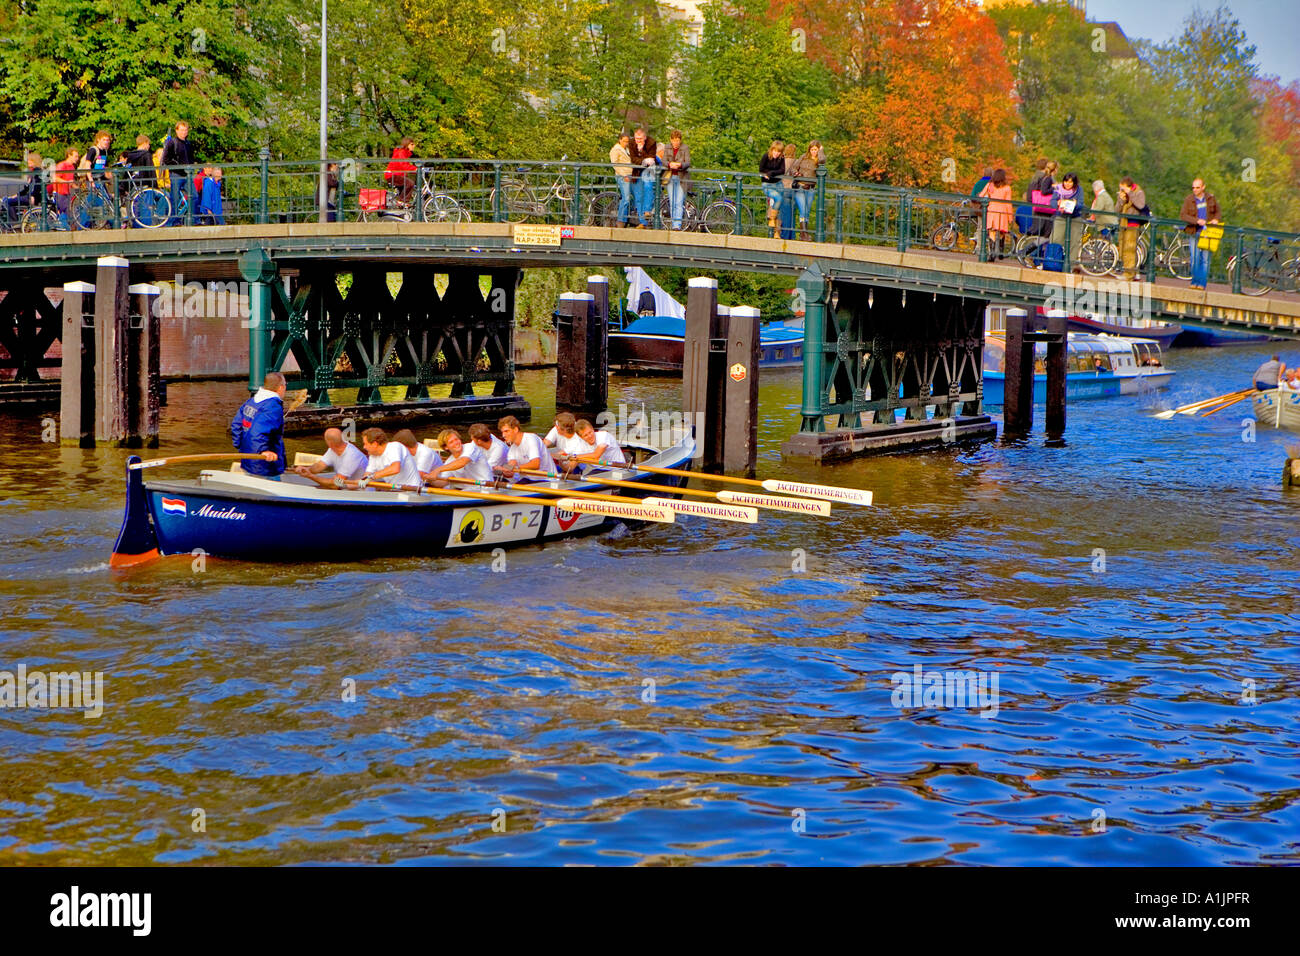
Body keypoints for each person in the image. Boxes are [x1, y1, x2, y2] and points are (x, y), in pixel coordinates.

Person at [230, 371, 286, 479]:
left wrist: (241, 447)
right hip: (265, 466)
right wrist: (263, 451)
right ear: (280, 387)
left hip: (247, 460)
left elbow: (236, 425)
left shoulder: (251, 401)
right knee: (273, 492)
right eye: (285, 385)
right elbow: (258, 431)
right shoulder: (272, 406)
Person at [1180, 178, 1221, 290]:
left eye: (1197, 187)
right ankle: (1194, 281)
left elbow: (1218, 211)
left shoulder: (1210, 198)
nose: (1195, 190)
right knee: (1194, 258)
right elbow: (1183, 215)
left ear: (1203, 187)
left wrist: (1216, 219)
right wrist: (1196, 220)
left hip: (1208, 233)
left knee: (1205, 259)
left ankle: (1202, 284)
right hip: (1194, 232)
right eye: (1193, 187)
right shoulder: (1189, 199)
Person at [293, 427, 368, 485]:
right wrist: (306, 469)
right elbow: (319, 466)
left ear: (330, 443)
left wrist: (310, 476)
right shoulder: (333, 449)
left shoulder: (351, 456)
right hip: (345, 489)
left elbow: (336, 484)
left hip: (360, 492)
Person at [426, 427, 493, 485]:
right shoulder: (449, 462)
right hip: (468, 491)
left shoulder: (471, 447)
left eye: (456, 439)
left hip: (485, 487)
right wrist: (429, 479)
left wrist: (437, 470)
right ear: (446, 447)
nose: (456, 443)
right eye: (451, 442)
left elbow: (462, 462)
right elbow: (443, 483)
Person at [498, 415, 556, 480]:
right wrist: (504, 469)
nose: (503, 435)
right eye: (502, 432)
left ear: (515, 429)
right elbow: (511, 466)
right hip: (528, 479)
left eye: (506, 431)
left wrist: (515, 468)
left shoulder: (531, 439)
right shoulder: (512, 449)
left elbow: (536, 464)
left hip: (547, 479)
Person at [161, 121, 196, 225]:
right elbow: (166, 159)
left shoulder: (188, 143)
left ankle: (194, 219)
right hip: (176, 174)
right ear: (176, 131)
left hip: (187, 175)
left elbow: (191, 158)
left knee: (194, 196)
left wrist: (191, 167)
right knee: (175, 198)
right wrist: (179, 167)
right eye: (181, 130)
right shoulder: (172, 142)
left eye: (185, 130)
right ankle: (174, 221)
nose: (184, 132)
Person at [788, 142, 821, 241]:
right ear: (809, 150)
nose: (813, 152)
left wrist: (822, 151)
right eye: (812, 150)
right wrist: (796, 173)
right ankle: (803, 233)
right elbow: (793, 168)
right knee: (803, 210)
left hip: (810, 188)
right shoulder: (803, 157)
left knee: (807, 211)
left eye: (816, 150)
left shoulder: (820, 161)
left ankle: (803, 233)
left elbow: (822, 169)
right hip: (800, 187)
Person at [1051, 172, 1084, 270]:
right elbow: (1052, 202)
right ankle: (1054, 263)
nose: (1068, 184)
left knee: (1074, 242)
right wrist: (1058, 202)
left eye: (1070, 182)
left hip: (1074, 218)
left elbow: (1081, 204)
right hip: (1061, 217)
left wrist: (1075, 204)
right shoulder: (1058, 189)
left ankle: (1071, 266)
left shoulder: (1079, 190)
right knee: (1056, 239)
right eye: (1066, 181)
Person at [1116, 177, 1147, 282]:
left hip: (1133, 223)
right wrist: (1121, 200)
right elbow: (1117, 210)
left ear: (1129, 187)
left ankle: (1129, 274)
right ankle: (1128, 271)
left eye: (1123, 188)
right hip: (1123, 223)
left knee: (1130, 248)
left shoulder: (1138, 192)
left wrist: (1131, 194)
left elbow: (1140, 205)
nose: (1121, 190)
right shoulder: (1122, 194)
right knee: (1123, 248)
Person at [979, 168, 1013, 260]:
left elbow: (981, 195)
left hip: (992, 210)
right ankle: (1001, 252)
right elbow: (1008, 203)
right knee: (1002, 231)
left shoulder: (990, 185)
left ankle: (992, 253)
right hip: (1002, 211)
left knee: (992, 232)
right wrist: (1010, 217)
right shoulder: (1007, 188)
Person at [628, 127, 658, 228]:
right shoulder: (631, 143)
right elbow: (633, 159)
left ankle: (647, 211)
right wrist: (643, 160)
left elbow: (652, 159)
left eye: (640, 139)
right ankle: (643, 222)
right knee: (638, 197)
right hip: (637, 171)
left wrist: (641, 151)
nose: (638, 141)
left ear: (645, 137)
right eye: (637, 138)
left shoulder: (651, 143)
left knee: (648, 187)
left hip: (649, 170)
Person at [2, 152, 41, 228]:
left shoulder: (37, 172)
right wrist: (16, 195)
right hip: (30, 196)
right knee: (8, 200)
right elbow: (26, 189)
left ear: (34, 161)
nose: (28, 162)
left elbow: (38, 185)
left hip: (32, 197)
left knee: (7, 202)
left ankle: (15, 222)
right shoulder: (33, 172)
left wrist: (33, 196)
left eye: (30, 161)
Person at [662, 130, 691, 231]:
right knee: (672, 202)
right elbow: (664, 161)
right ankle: (673, 223)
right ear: (671, 140)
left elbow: (688, 163)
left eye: (677, 140)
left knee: (679, 202)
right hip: (670, 177)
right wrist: (670, 164)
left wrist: (679, 165)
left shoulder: (685, 148)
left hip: (681, 178)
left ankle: (676, 226)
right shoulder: (667, 147)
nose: (676, 143)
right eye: (674, 140)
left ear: (680, 140)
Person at [760, 140, 786, 238]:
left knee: (780, 207)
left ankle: (776, 232)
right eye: (775, 151)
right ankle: (771, 219)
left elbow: (782, 170)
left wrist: (771, 173)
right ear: (772, 150)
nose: (776, 154)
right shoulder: (766, 156)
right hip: (767, 184)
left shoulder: (781, 158)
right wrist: (770, 173)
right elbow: (761, 169)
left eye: (779, 152)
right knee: (778, 199)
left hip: (778, 183)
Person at [609, 133, 635, 228]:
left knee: (635, 197)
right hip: (623, 175)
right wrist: (623, 175)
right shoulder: (616, 150)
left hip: (630, 175)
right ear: (620, 140)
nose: (626, 143)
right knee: (626, 198)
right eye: (624, 141)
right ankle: (621, 220)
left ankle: (628, 218)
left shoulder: (626, 149)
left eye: (627, 141)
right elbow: (615, 164)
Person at [384, 136, 417, 204]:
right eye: (412, 144)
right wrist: (416, 169)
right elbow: (404, 165)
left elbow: (404, 166)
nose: (414, 146)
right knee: (410, 183)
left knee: (408, 185)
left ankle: (401, 207)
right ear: (407, 144)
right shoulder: (401, 153)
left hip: (397, 175)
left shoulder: (404, 153)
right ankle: (401, 202)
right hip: (392, 175)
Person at [52, 148, 78, 220]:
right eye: (75, 156)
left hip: (66, 193)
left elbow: (70, 182)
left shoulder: (72, 167)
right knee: (70, 211)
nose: (77, 158)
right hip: (59, 193)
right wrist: (66, 182)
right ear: (69, 155)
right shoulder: (62, 165)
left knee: (71, 210)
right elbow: (55, 178)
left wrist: (77, 187)